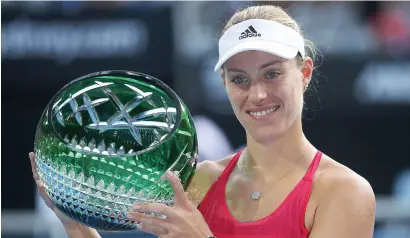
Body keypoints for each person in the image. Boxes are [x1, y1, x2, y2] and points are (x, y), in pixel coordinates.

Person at [29, 5, 376, 238]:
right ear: (224, 84)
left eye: (272, 74)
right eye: (239, 79)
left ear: (304, 74)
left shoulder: (344, 192)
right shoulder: (199, 182)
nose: (257, 95)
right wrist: (77, 227)